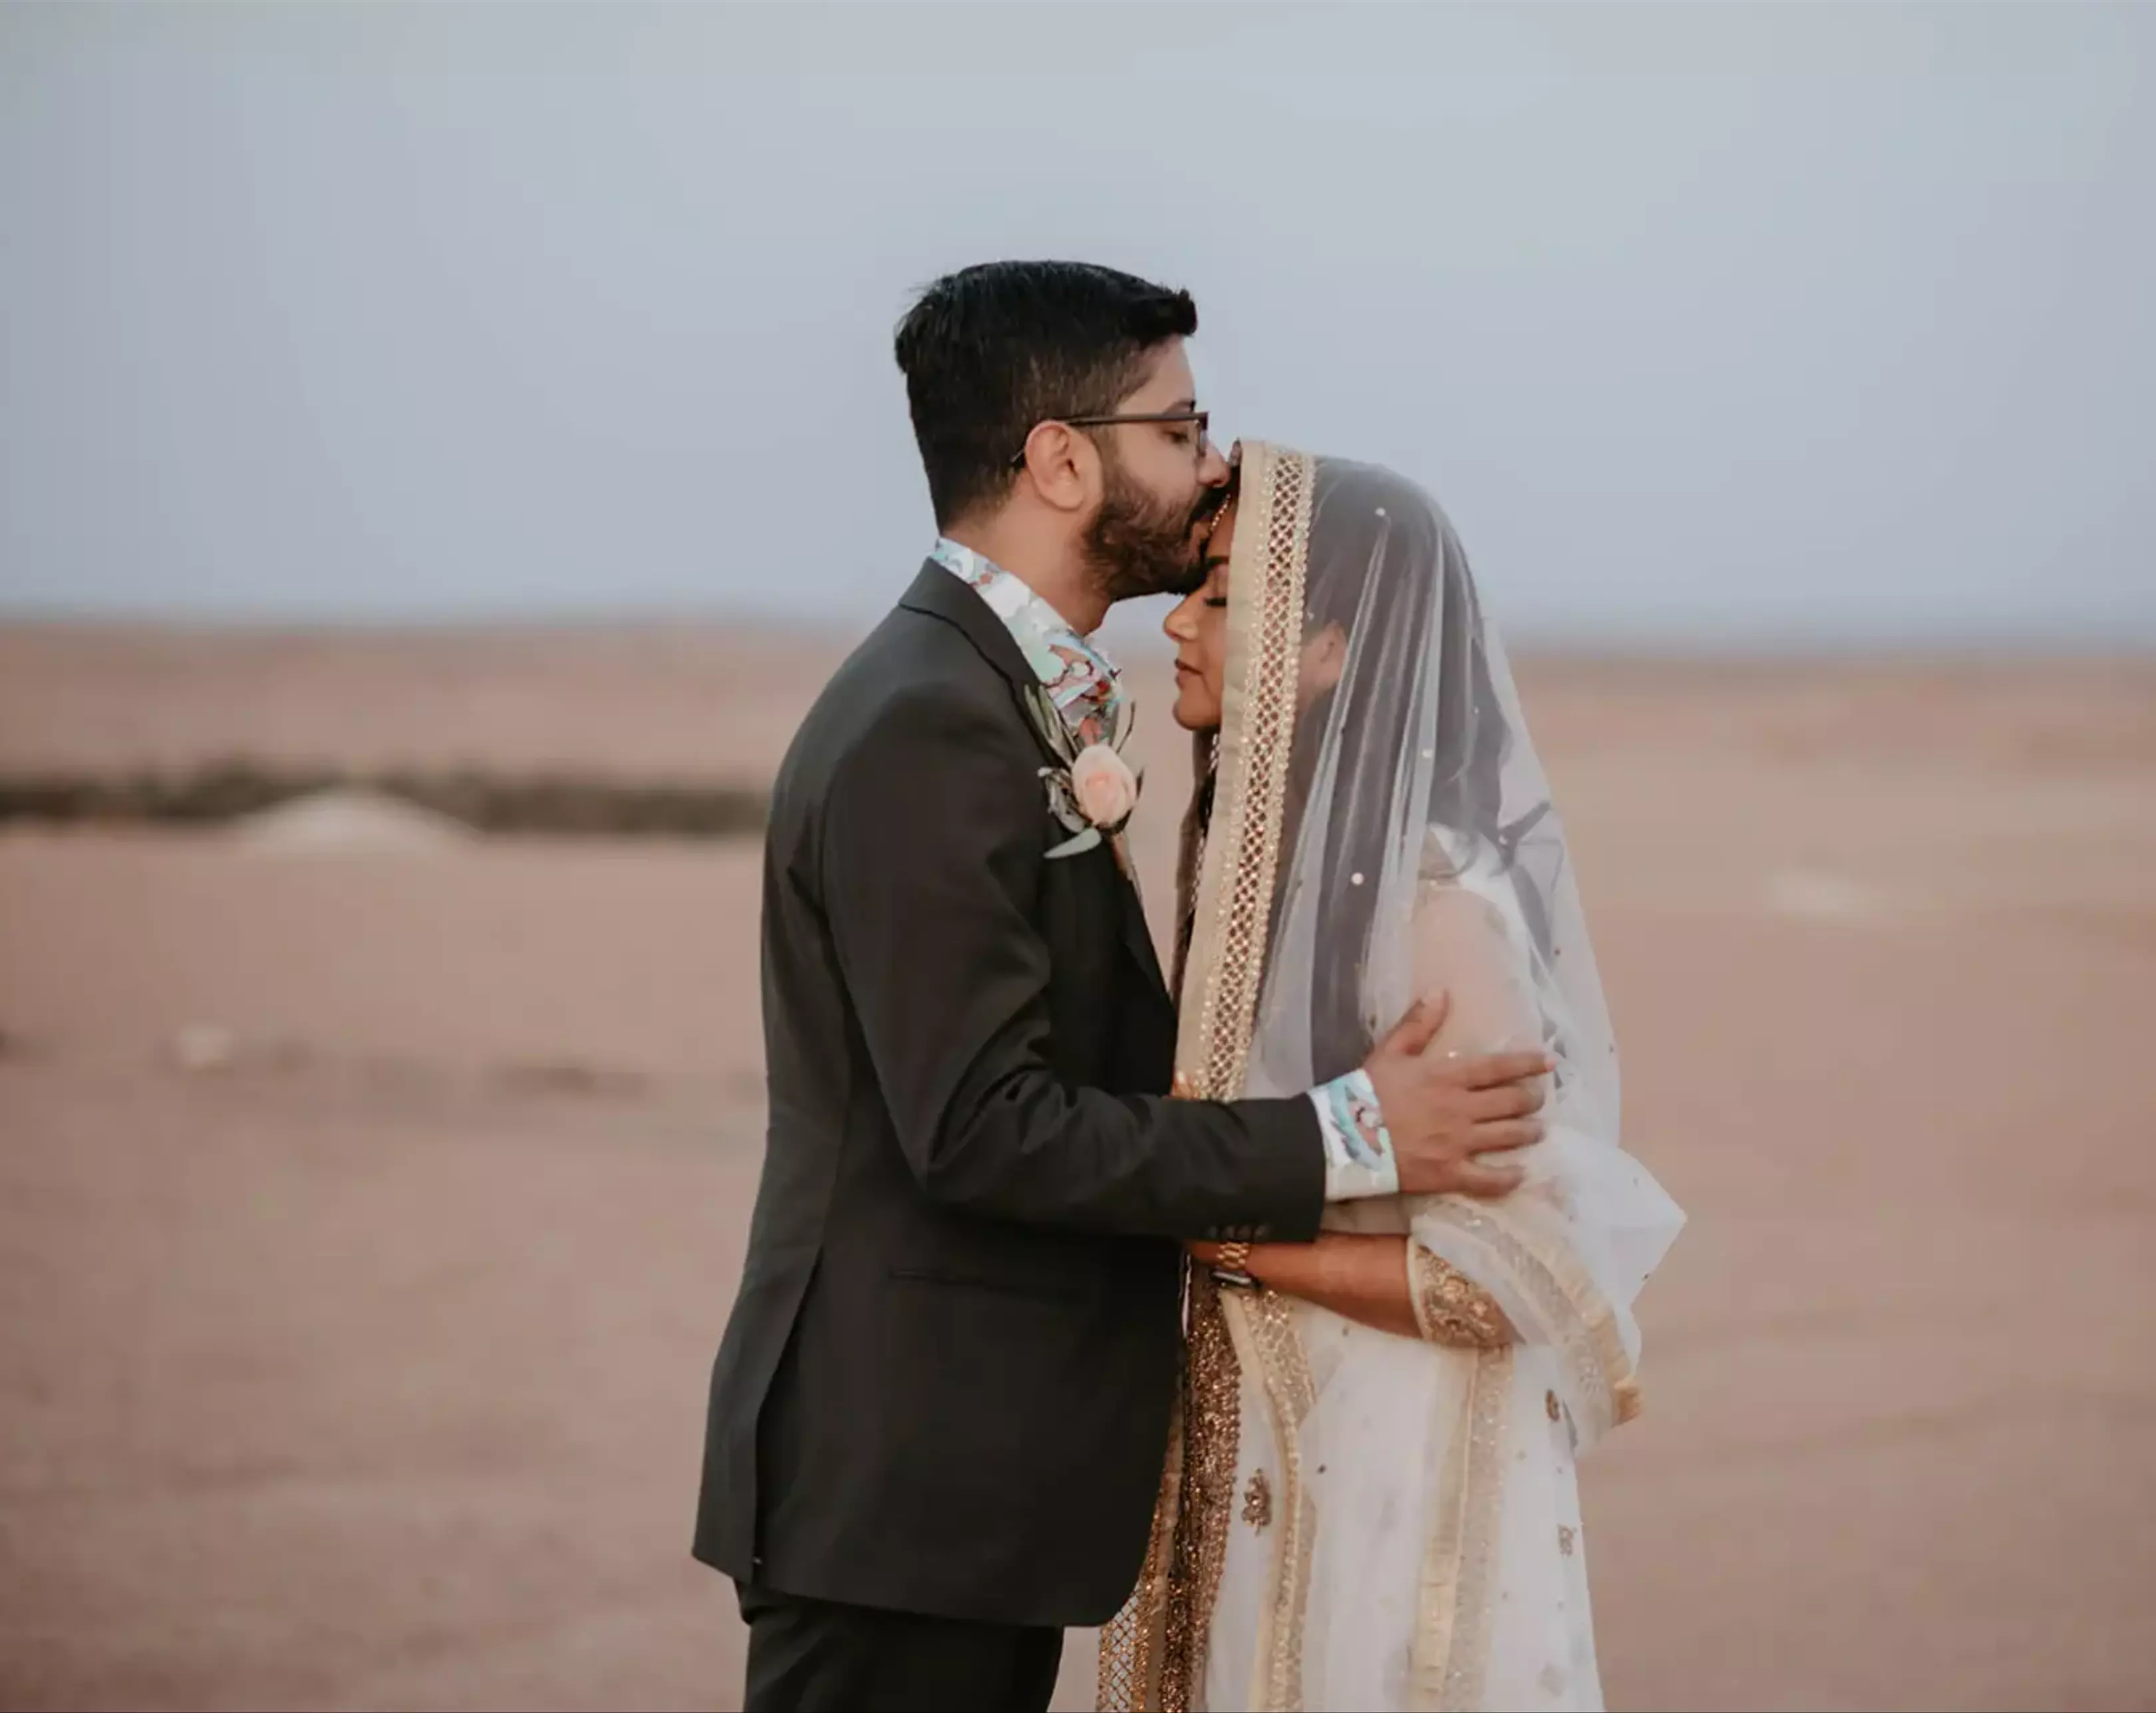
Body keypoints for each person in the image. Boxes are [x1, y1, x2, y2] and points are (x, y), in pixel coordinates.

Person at [690, 265, 1557, 1713]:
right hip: (904, 1484)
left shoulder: (975, 698)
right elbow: (985, 1129)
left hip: (954, 1493)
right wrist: (1348, 1135)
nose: (1213, 469)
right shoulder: (930, 722)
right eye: (1183, 427)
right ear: (1060, 459)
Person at [1101, 444, 1684, 1712]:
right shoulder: (1271, 897)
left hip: (1402, 1492)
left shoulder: (1435, 913)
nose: (1177, 622)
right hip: (1278, 1455)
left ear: (1326, 652)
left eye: (1217, 594)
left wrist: (1227, 1243)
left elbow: (1512, 1276)